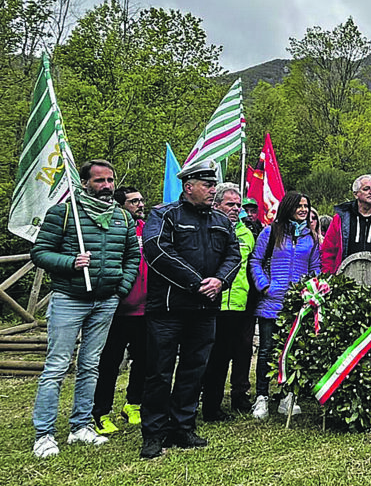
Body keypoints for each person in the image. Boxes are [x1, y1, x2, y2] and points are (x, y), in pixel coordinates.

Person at [30, 160, 141, 458]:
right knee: (56, 366)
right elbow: (39, 252)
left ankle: (80, 426)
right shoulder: (64, 213)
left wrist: (120, 288)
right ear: (84, 183)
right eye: (99, 181)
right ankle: (44, 433)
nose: (106, 186)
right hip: (69, 298)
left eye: (110, 180)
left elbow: (132, 256)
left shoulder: (122, 218)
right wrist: (70, 263)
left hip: (106, 300)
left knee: (91, 365)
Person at [139, 160, 241, 459]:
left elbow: (233, 255)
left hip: (205, 308)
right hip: (168, 309)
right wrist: (196, 282)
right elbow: (156, 250)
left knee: (194, 369)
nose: (213, 190)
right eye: (208, 185)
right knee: (159, 371)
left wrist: (220, 280)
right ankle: (154, 433)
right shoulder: (164, 214)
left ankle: (182, 426)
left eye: (213, 185)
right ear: (189, 187)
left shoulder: (221, 221)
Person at [250, 191, 321, 420]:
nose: (303, 210)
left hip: (297, 305)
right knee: (267, 350)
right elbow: (256, 261)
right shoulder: (270, 233)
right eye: (299, 205)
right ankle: (261, 397)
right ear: (288, 207)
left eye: (306, 206)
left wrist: (313, 290)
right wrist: (264, 285)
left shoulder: (310, 238)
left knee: (290, 352)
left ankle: (287, 396)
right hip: (271, 302)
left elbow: (315, 268)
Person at [91, 186, 148, 436]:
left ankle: (133, 404)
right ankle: (100, 412)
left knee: (144, 361)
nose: (140, 204)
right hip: (115, 309)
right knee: (109, 364)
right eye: (134, 201)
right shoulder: (112, 230)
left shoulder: (147, 229)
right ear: (120, 205)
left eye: (141, 200)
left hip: (145, 309)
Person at [201, 183, 256, 421]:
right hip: (212, 301)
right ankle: (203, 401)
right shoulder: (206, 229)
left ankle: (225, 401)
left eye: (238, 205)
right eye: (229, 204)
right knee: (209, 357)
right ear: (216, 205)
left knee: (232, 354)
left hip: (239, 304)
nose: (235, 209)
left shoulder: (246, 233)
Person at [321, 174, 371, 281]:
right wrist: (328, 277)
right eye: (366, 189)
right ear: (356, 194)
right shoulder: (340, 219)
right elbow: (328, 250)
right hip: (343, 281)